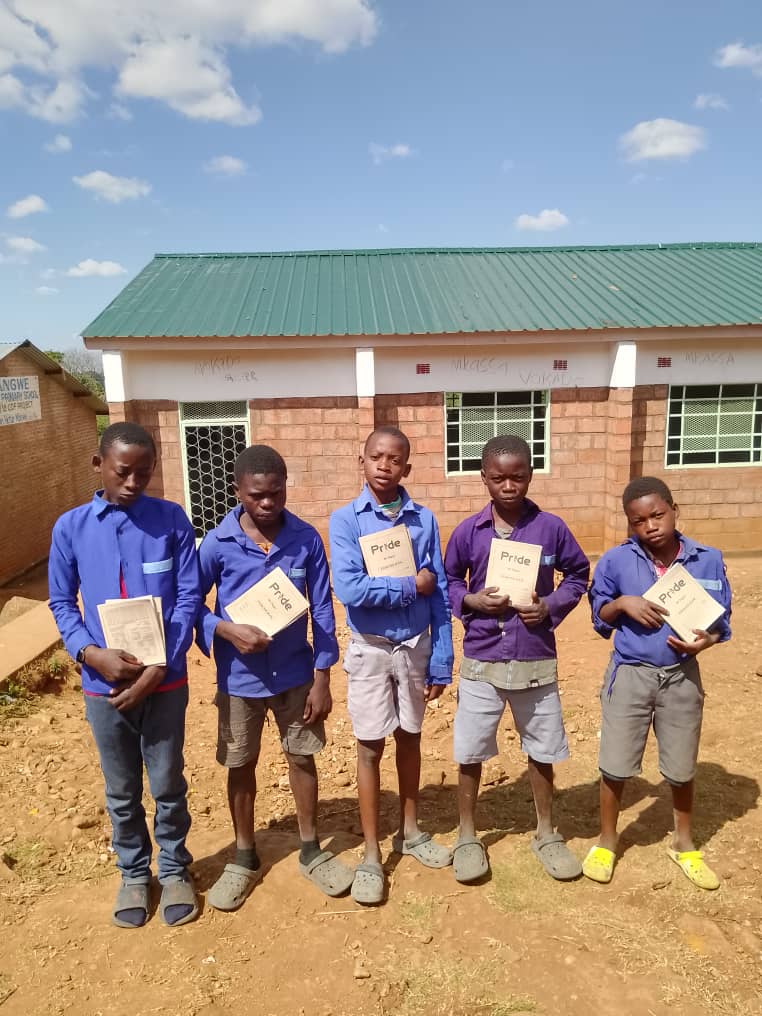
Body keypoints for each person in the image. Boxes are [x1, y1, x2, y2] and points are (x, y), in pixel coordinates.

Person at [48, 421, 201, 928]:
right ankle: (135, 874)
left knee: (166, 782)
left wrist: (160, 665)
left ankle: (176, 868)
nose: (134, 481)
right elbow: (61, 602)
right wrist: (91, 653)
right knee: (120, 790)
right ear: (98, 466)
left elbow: (187, 598)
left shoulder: (171, 521)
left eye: (144, 472)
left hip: (165, 683)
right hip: (103, 686)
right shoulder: (70, 528)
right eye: (123, 471)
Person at [197, 444, 352, 910]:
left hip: (295, 675)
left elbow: (322, 607)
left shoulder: (305, 539)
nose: (267, 504)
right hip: (239, 678)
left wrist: (323, 676)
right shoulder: (217, 544)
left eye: (277, 494)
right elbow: (189, 604)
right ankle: (244, 856)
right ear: (238, 492)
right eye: (257, 496)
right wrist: (223, 629)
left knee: (302, 758)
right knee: (240, 764)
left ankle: (310, 849)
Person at [444, 435, 589, 884]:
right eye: (498, 477)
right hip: (483, 657)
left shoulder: (551, 528)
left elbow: (578, 574)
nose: (509, 485)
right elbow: (450, 579)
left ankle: (546, 833)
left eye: (518, 476)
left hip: (533, 656)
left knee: (541, 750)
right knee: (470, 751)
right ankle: (468, 835)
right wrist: (470, 601)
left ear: (530, 474)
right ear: (484, 478)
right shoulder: (469, 531)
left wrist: (550, 605)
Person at [584, 476, 731, 889]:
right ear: (630, 525)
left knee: (682, 766)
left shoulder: (708, 559)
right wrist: (621, 603)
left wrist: (707, 640)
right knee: (615, 763)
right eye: (638, 521)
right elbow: (598, 614)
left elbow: (722, 622)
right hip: (630, 673)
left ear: (674, 509)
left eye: (657, 515)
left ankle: (683, 844)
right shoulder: (615, 561)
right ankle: (607, 841)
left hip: (681, 676)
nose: (650, 526)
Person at [329, 426, 454, 905]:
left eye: (394, 458)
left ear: (407, 467)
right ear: (361, 462)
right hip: (369, 648)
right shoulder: (346, 521)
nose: (385, 465)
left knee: (411, 739)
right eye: (376, 457)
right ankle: (370, 854)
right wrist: (408, 588)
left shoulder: (423, 520)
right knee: (368, 747)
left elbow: (438, 588)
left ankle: (410, 831)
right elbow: (352, 590)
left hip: (416, 646)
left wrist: (441, 659)